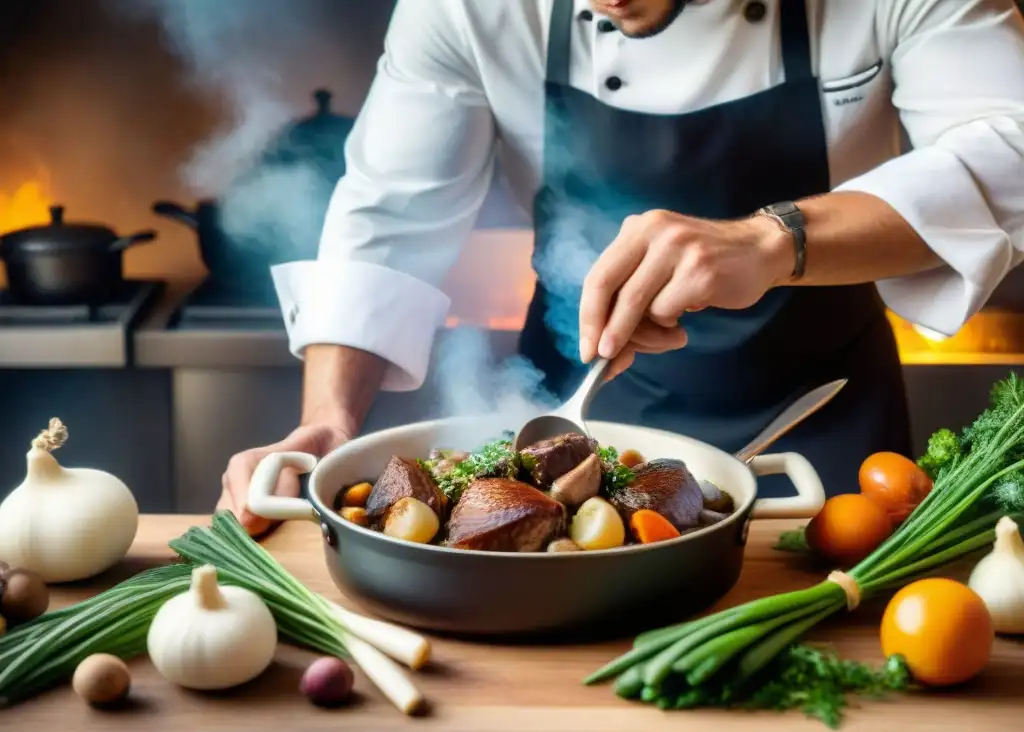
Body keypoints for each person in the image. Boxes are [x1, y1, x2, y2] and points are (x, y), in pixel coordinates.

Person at [219, 0, 1024, 536]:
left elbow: (1014, 144)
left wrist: (777, 238)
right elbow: (388, 217)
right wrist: (327, 423)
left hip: (824, 421)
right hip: (572, 412)